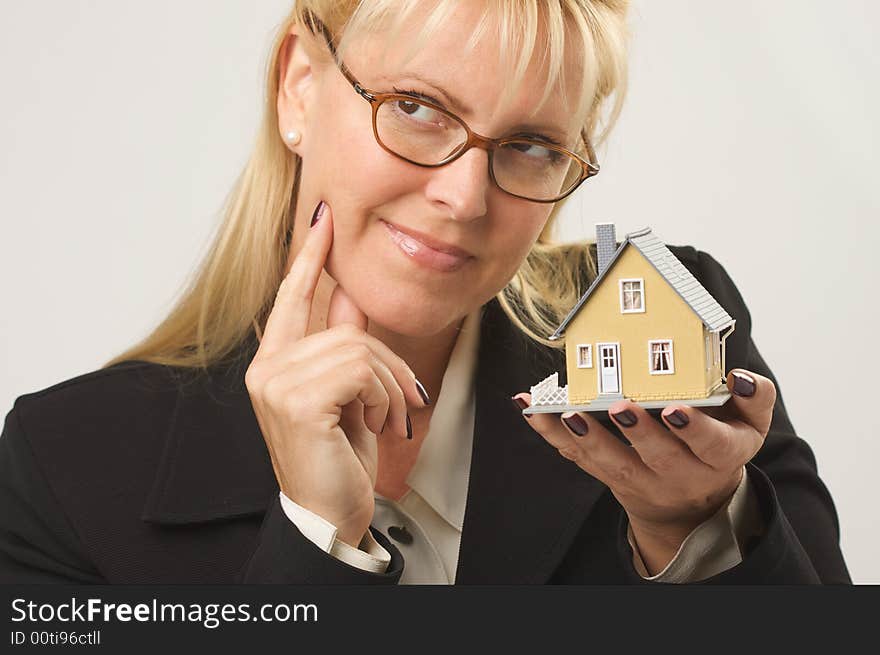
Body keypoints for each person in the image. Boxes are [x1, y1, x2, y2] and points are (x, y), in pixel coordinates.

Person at [0, 0, 850, 584]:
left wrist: (692, 530)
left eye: (529, 145)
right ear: (299, 83)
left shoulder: (676, 335)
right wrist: (318, 542)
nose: (464, 196)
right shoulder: (67, 465)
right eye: (415, 106)